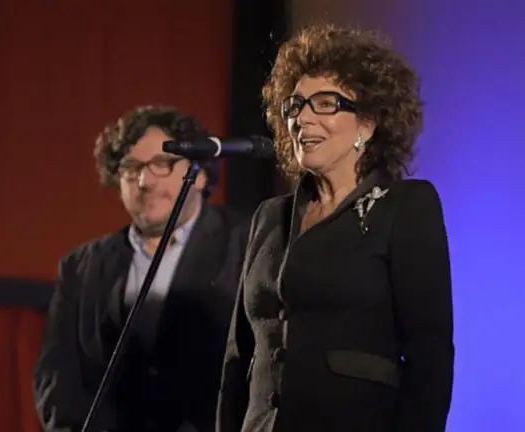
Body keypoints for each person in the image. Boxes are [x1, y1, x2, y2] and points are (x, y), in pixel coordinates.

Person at [217, 23, 454, 432]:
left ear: (368, 123)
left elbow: (429, 358)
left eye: (325, 104)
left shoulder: (405, 206)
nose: (302, 118)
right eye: (295, 105)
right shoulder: (270, 216)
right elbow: (237, 358)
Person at [34, 106, 250, 432]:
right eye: (131, 168)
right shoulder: (81, 266)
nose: (145, 181)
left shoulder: (249, 245)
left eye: (162, 164)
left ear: (200, 173)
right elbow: (56, 376)